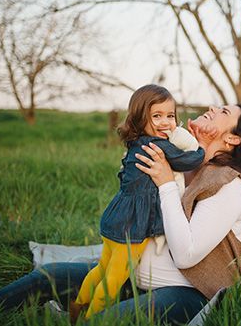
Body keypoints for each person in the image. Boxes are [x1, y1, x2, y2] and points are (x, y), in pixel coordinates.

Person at [0, 104, 241, 325]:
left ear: (233, 139)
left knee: (102, 321)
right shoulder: (182, 163)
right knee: (50, 274)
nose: (213, 107)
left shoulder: (227, 184)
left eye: (224, 112)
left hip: (187, 293)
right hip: (133, 275)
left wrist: (164, 185)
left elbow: (187, 254)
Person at [71, 84, 205, 320]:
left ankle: (77, 307)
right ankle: (90, 318)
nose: (166, 122)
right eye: (156, 116)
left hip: (115, 217)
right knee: (114, 279)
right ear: (139, 118)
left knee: (101, 268)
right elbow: (188, 161)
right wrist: (200, 148)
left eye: (170, 116)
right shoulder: (158, 146)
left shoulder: (137, 142)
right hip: (131, 227)